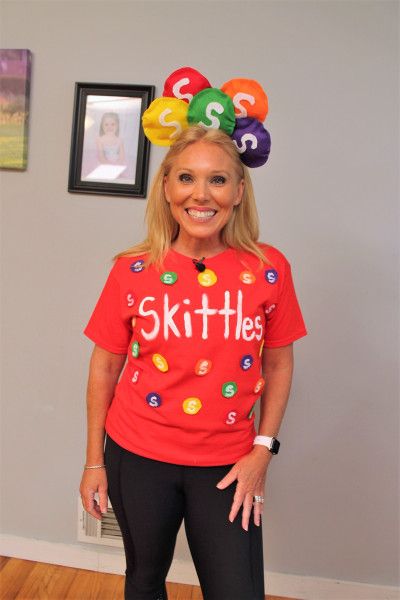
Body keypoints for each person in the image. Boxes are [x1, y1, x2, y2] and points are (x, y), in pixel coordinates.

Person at [80, 75, 306, 600]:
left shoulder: (269, 269)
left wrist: (262, 450)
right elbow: (105, 365)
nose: (200, 194)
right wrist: (95, 460)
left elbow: (279, 364)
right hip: (137, 456)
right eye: (186, 177)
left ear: (239, 191)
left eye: (218, 180)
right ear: (166, 187)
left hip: (228, 465)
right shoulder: (132, 269)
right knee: (143, 581)